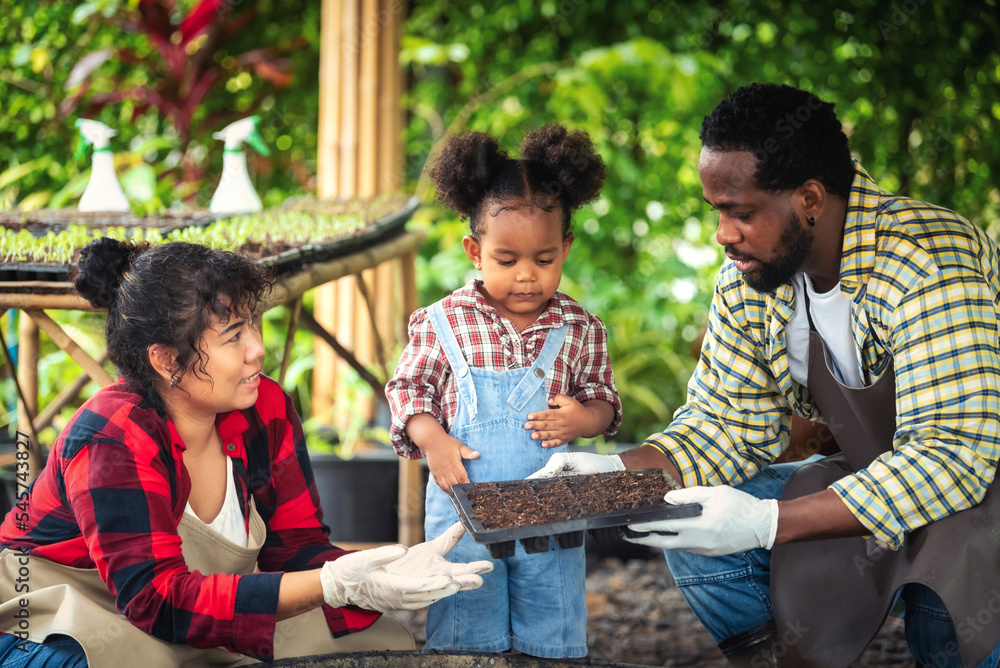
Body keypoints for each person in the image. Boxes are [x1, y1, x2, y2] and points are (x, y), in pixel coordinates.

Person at [532, 83, 1000, 668]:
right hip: (871, 480)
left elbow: (954, 455)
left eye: (742, 213)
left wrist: (767, 522)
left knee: (951, 610)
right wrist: (609, 475)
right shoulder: (751, 281)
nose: (723, 234)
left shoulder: (926, 262)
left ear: (809, 199)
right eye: (717, 212)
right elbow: (726, 426)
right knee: (687, 517)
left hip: (981, 499)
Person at [0, 238, 493, 667]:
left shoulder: (265, 407)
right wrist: (329, 586)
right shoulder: (112, 436)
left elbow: (296, 548)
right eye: (234, 336)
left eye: (252, 325)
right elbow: (156, 602)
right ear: (167, 360)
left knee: (383, 642)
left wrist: (376, 573)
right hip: (63, 614)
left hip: (189, 612)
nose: (257, 348)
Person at [385, 124, 622, 658]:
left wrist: (584, 420)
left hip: (551, 514)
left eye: (544, 260)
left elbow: (605, 402)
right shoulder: (442, 322)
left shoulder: (581, 328)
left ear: (566, 248)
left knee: (551, 623)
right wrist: (433, 440)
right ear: (475, 250)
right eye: (506, 260)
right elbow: (408, 391)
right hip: (464, 513)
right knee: (469, 621)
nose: (526, 278)